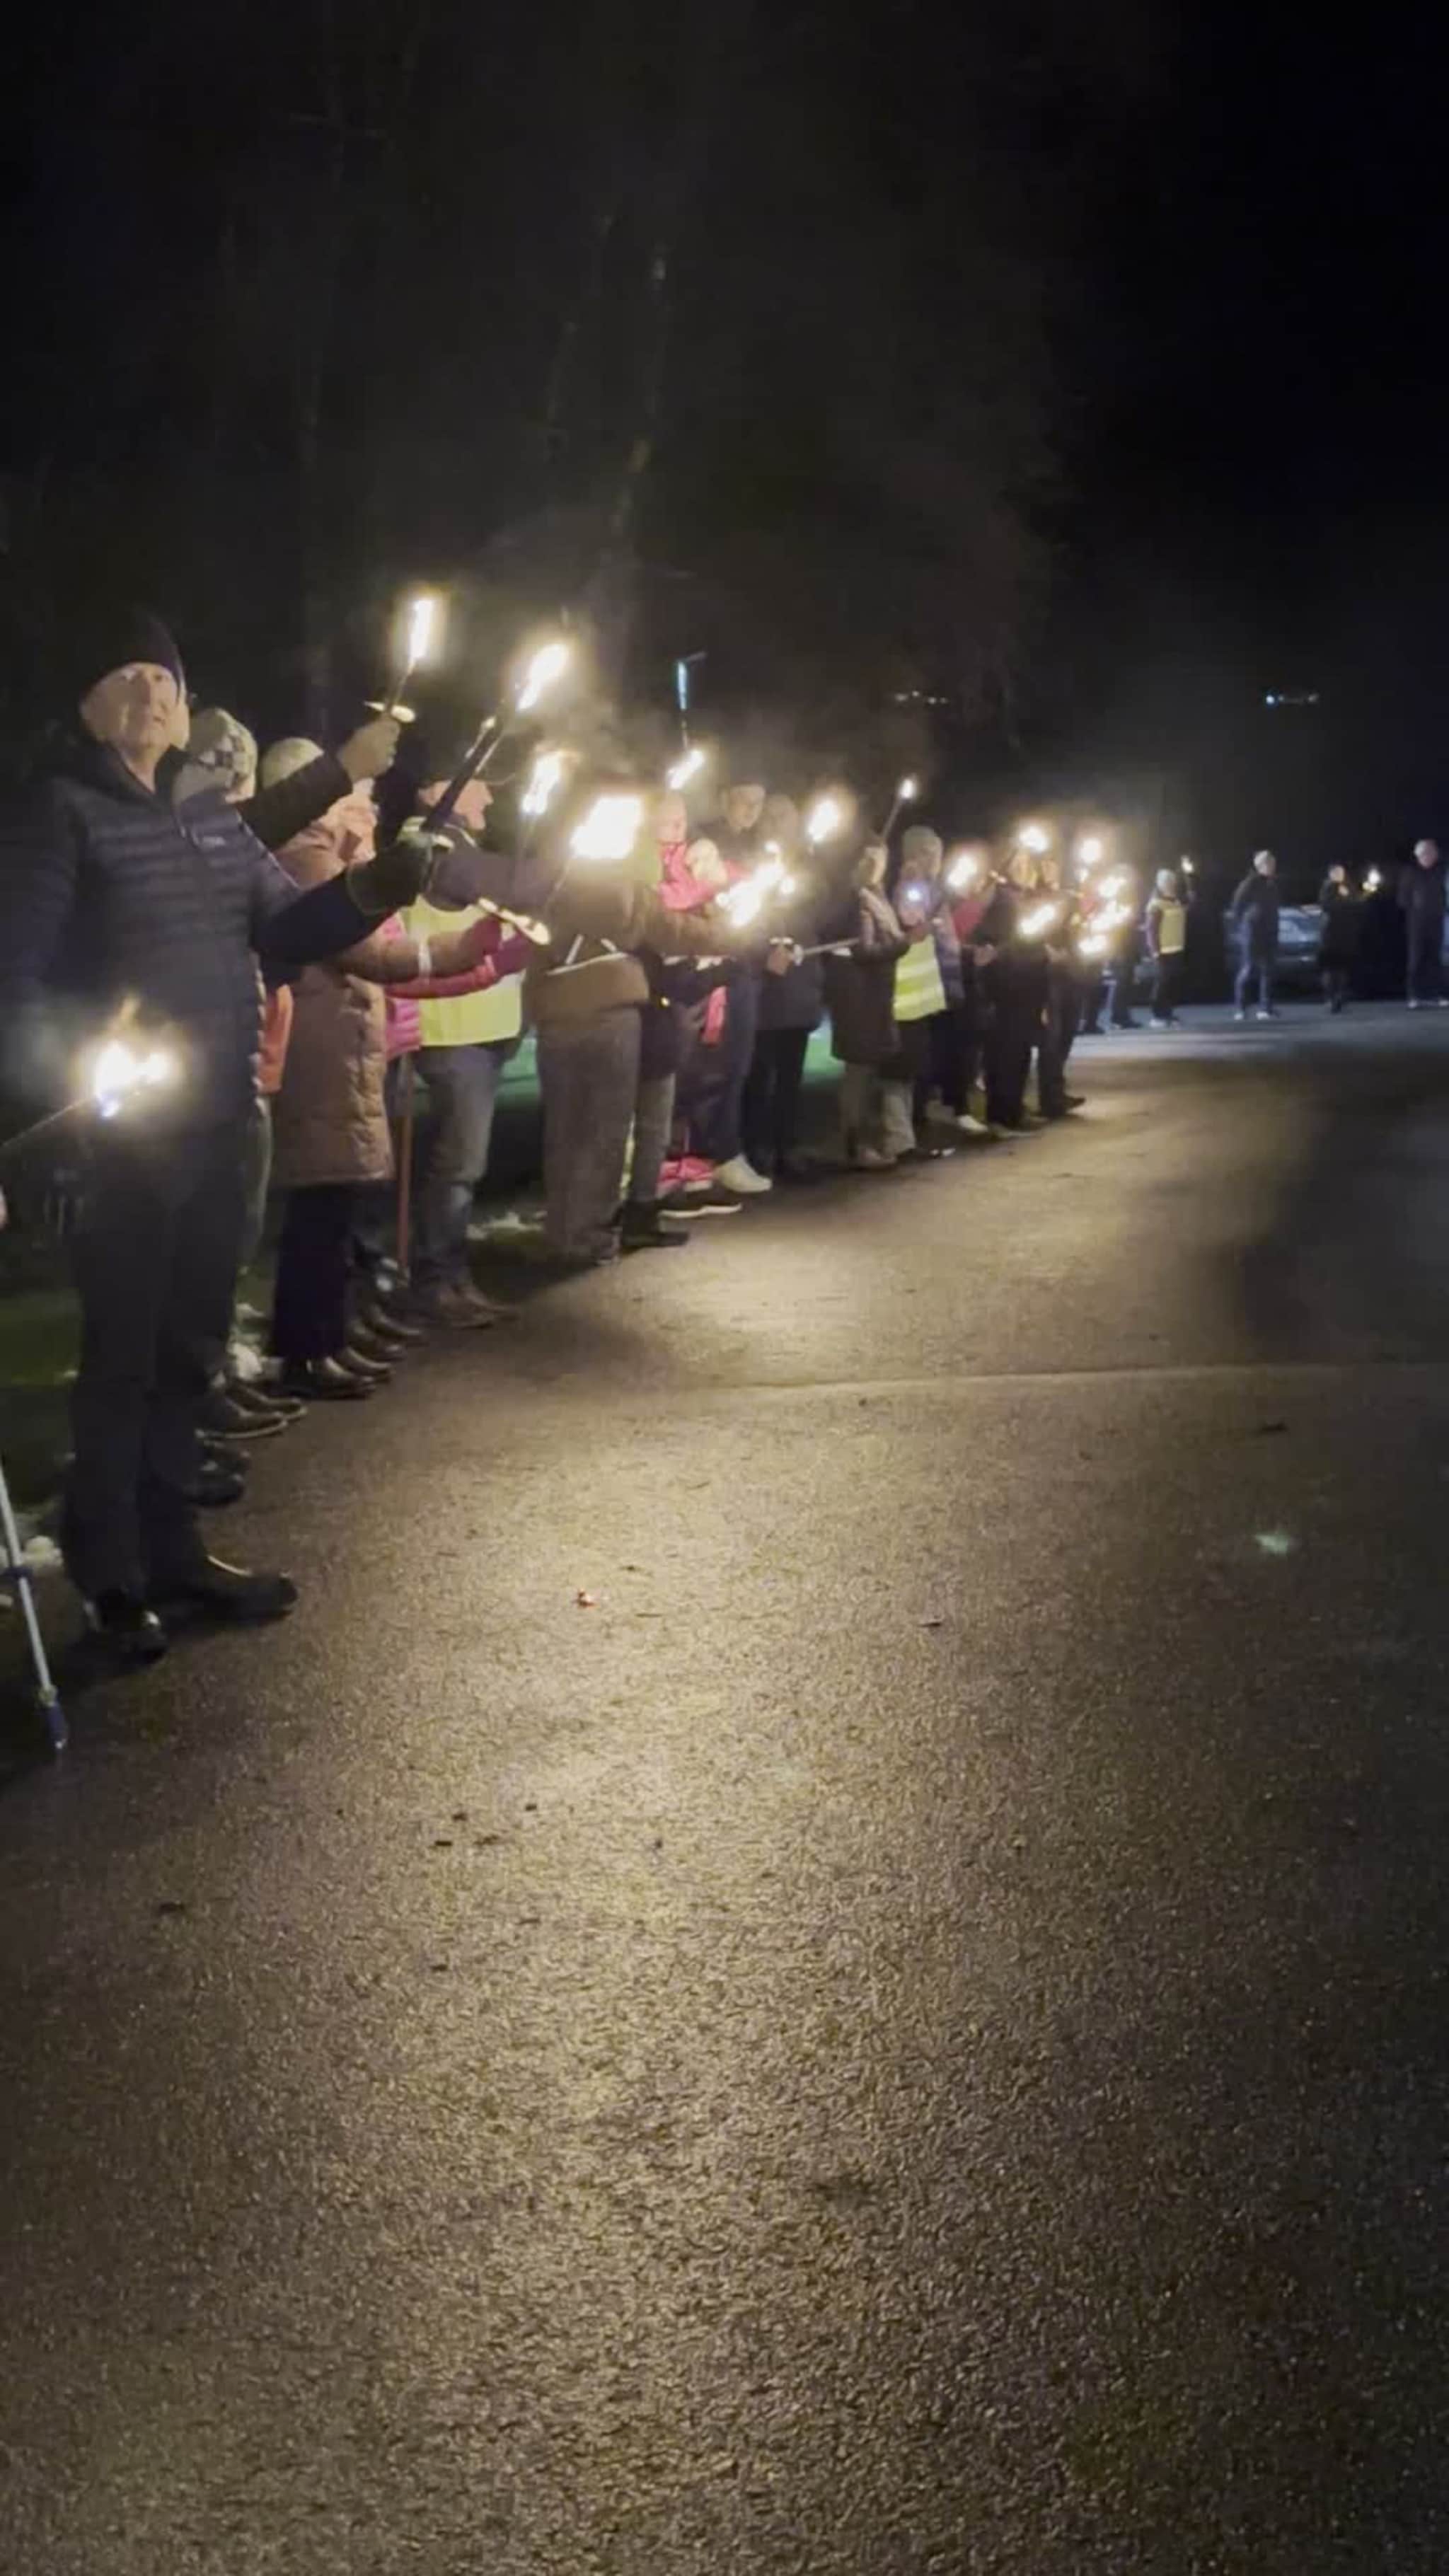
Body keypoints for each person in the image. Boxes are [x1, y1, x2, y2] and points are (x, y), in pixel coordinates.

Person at [0, 608, 425, 1661]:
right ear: (89, 705)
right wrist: (62, 1088)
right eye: (126, 676)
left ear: (188, 706)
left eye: (164, 677)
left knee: (190, 1348)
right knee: (124, 1355)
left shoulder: (212, 820)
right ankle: (109, 1576)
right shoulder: (63, 813)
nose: (149, 693)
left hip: (224, 1120)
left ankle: (174, 1547)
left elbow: (285, 926)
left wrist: (372, 890)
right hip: (124, 1139)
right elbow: (16, 976)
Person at [262, 741, 522, 1397]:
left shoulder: (329, 857)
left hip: (342, 1048)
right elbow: (373, 952)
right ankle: (310, 1348)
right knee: (321, 1210)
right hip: (324, 1051)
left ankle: (334, 1332)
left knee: (338, 1202)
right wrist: (462, 950)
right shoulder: (306, 859)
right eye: (354, 791)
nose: (368, 800)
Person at [528, 789, 756, 1266]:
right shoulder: (627, 890)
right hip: (609, 1016)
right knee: (602, 1134)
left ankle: (563, 1231)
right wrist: (735, 932)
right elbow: (674, 930)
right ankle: (587, 1236)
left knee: (566, 1131)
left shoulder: (558, 882)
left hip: (555, 1015)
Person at [402, 764, 527, 1326]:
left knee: (464, 1163)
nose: (488, 793)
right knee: (458, 1163)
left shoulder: (465, 842)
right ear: (435, 787)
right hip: (455, 1027)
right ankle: (435, 1281)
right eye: (475, 779)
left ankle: (451, 1277)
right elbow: (498, 881)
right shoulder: (425, 840)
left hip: (485, 1023)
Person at [741, 795, 824, 1180]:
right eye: (772, 818)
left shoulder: (808, 865)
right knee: (760, 1074)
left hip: (799, 984)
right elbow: (744, 918)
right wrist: (763, 952)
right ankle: (756, 1147)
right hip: (765, 987)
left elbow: (822, 910)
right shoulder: (752, 865)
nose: (777, 824)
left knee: (790, 1073)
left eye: (786, 818)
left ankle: (786, 1144)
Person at [823, 841, 916, 1167]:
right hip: (857, 993)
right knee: (859, 1069)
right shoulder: (857, 898)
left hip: (871, 992)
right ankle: (855, 1144)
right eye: (871, 859)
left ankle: (864, 1140)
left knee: (867, 1068)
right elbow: (865, 949)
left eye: (882, 858)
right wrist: (903, 944)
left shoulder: (876, 895)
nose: (878, 865)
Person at [892, 826, 987, 1140]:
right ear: (911, 854)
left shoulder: (938, 888)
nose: (933, 859)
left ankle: (956, 1107)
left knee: (954, 1046)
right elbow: (913, 925)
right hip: (924, 982)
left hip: (948, 976)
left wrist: (969, 952)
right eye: (926, 852)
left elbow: (949, 934)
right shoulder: (909, 886)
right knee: (923, 1055)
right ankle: (919, 1122)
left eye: (937, 853)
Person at [971, 849, 1049, 1131]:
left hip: (1029, 983)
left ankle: (1016, 1110)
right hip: (1007, 988)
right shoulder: (1001, 901)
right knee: (1003, 1052)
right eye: (1017, 863)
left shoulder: (1027, 899)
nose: (1023, 867)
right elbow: (991, 944)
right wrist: (1006, 953)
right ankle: (999, 1115)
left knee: (1021, 1051)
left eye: (1027, 862)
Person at [1033, 850, 1083, 1116]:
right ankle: (1049, 1098)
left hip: (1071, 970)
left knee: (1067, 1031)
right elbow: (1028, 930)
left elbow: (1076, 928)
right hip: (1047, 974)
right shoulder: (1034, 897)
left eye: (1053, 863)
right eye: (1045, 864)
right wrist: (1047, 952)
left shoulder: (1067, 897)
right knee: (1051, 1037)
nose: (1050, 869)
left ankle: (1057, 1090)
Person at [1230, 849, 1281, 1020]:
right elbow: (1237, 905)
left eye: (1273, 863)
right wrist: (1243, 925)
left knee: (1268, 970)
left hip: (1269, 932)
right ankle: (1240, 1008)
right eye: (1268, 863)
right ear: (1259, 865)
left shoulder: (1272, 884)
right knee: (1249, 969)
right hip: (1252, 932)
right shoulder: (1250, 883)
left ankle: (1266, 1008)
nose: (1272, 866)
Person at [1397, 838, 1448, 1009]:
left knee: (1436, 959)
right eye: (1426, 853)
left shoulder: (1441, 872)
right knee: (1416, 959)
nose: (1429, 856)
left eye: (1432, 853)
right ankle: (1413, 996)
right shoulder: (1410, 872)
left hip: (1437, 921)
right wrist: (1415, 907)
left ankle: (1439, 994)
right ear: (1419, 855)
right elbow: (1402, 899)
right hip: (1416, 924)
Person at [1144, 867, 1189, 1027]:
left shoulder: (1176, 901)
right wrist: (1155, 951)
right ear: (1160, 884)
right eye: (1166, 882)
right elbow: (1151, 930)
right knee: (1161, 984)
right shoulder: (1156, 905)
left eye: (1172, 881)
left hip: (1176, 949)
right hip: (1162, 951)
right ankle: (1157, 1016)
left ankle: (1168, 1013)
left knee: (1171, 984)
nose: (1170, 884)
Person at [1317, 863, 1363, 1014]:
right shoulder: (1328, 888)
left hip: (1345, 934)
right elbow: (1326, 906)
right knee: (1331, 968)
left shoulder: (1347, 887)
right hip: (1330, 934)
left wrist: (1352, 896)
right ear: (1331, 874)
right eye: (1337, 873)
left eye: (1342, 872)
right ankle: (1330, 997)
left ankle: (1340, 997)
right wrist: (1343, 899)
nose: (1340, 875)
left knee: (1343, 968)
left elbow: (1356, 902)